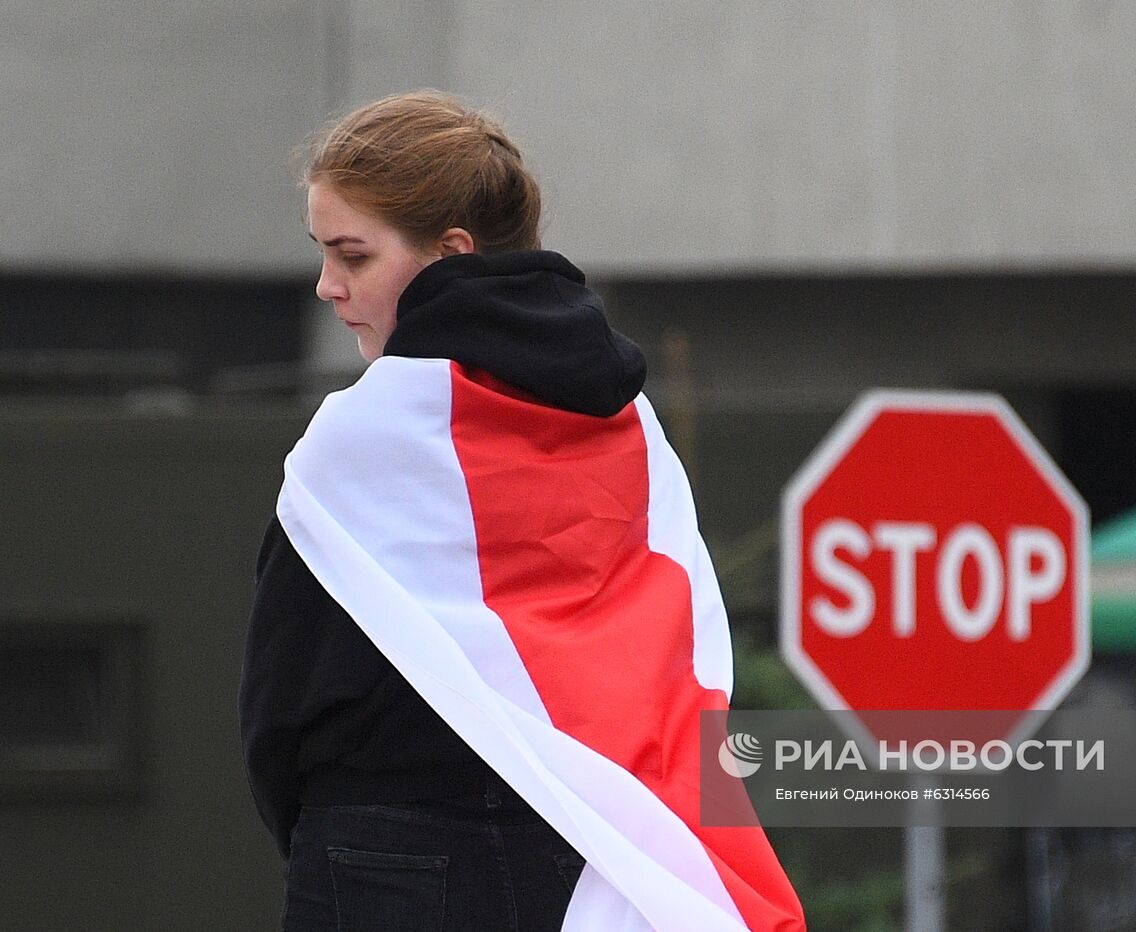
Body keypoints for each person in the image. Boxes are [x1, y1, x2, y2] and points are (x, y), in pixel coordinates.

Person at [239, 90, 805, 932]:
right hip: (592, 855)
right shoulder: (631, 429)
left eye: (352, 256)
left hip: (384, 851)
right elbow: (673, 668)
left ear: (451, 254)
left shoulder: (362, 435)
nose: (327, 285)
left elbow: (283, 694)